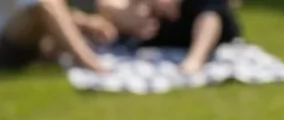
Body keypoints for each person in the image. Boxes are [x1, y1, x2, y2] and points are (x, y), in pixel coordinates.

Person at [98, 0, 239, 73]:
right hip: (157, 27)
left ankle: (196, 59)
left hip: (199, 19)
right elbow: (105, 5)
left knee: (209, 5)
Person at [0, 0, 112, 71]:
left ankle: (85, 55)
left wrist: (85, 22)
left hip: (21, 39)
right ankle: (89, 61)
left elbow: (49, 11)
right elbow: (41, 6)